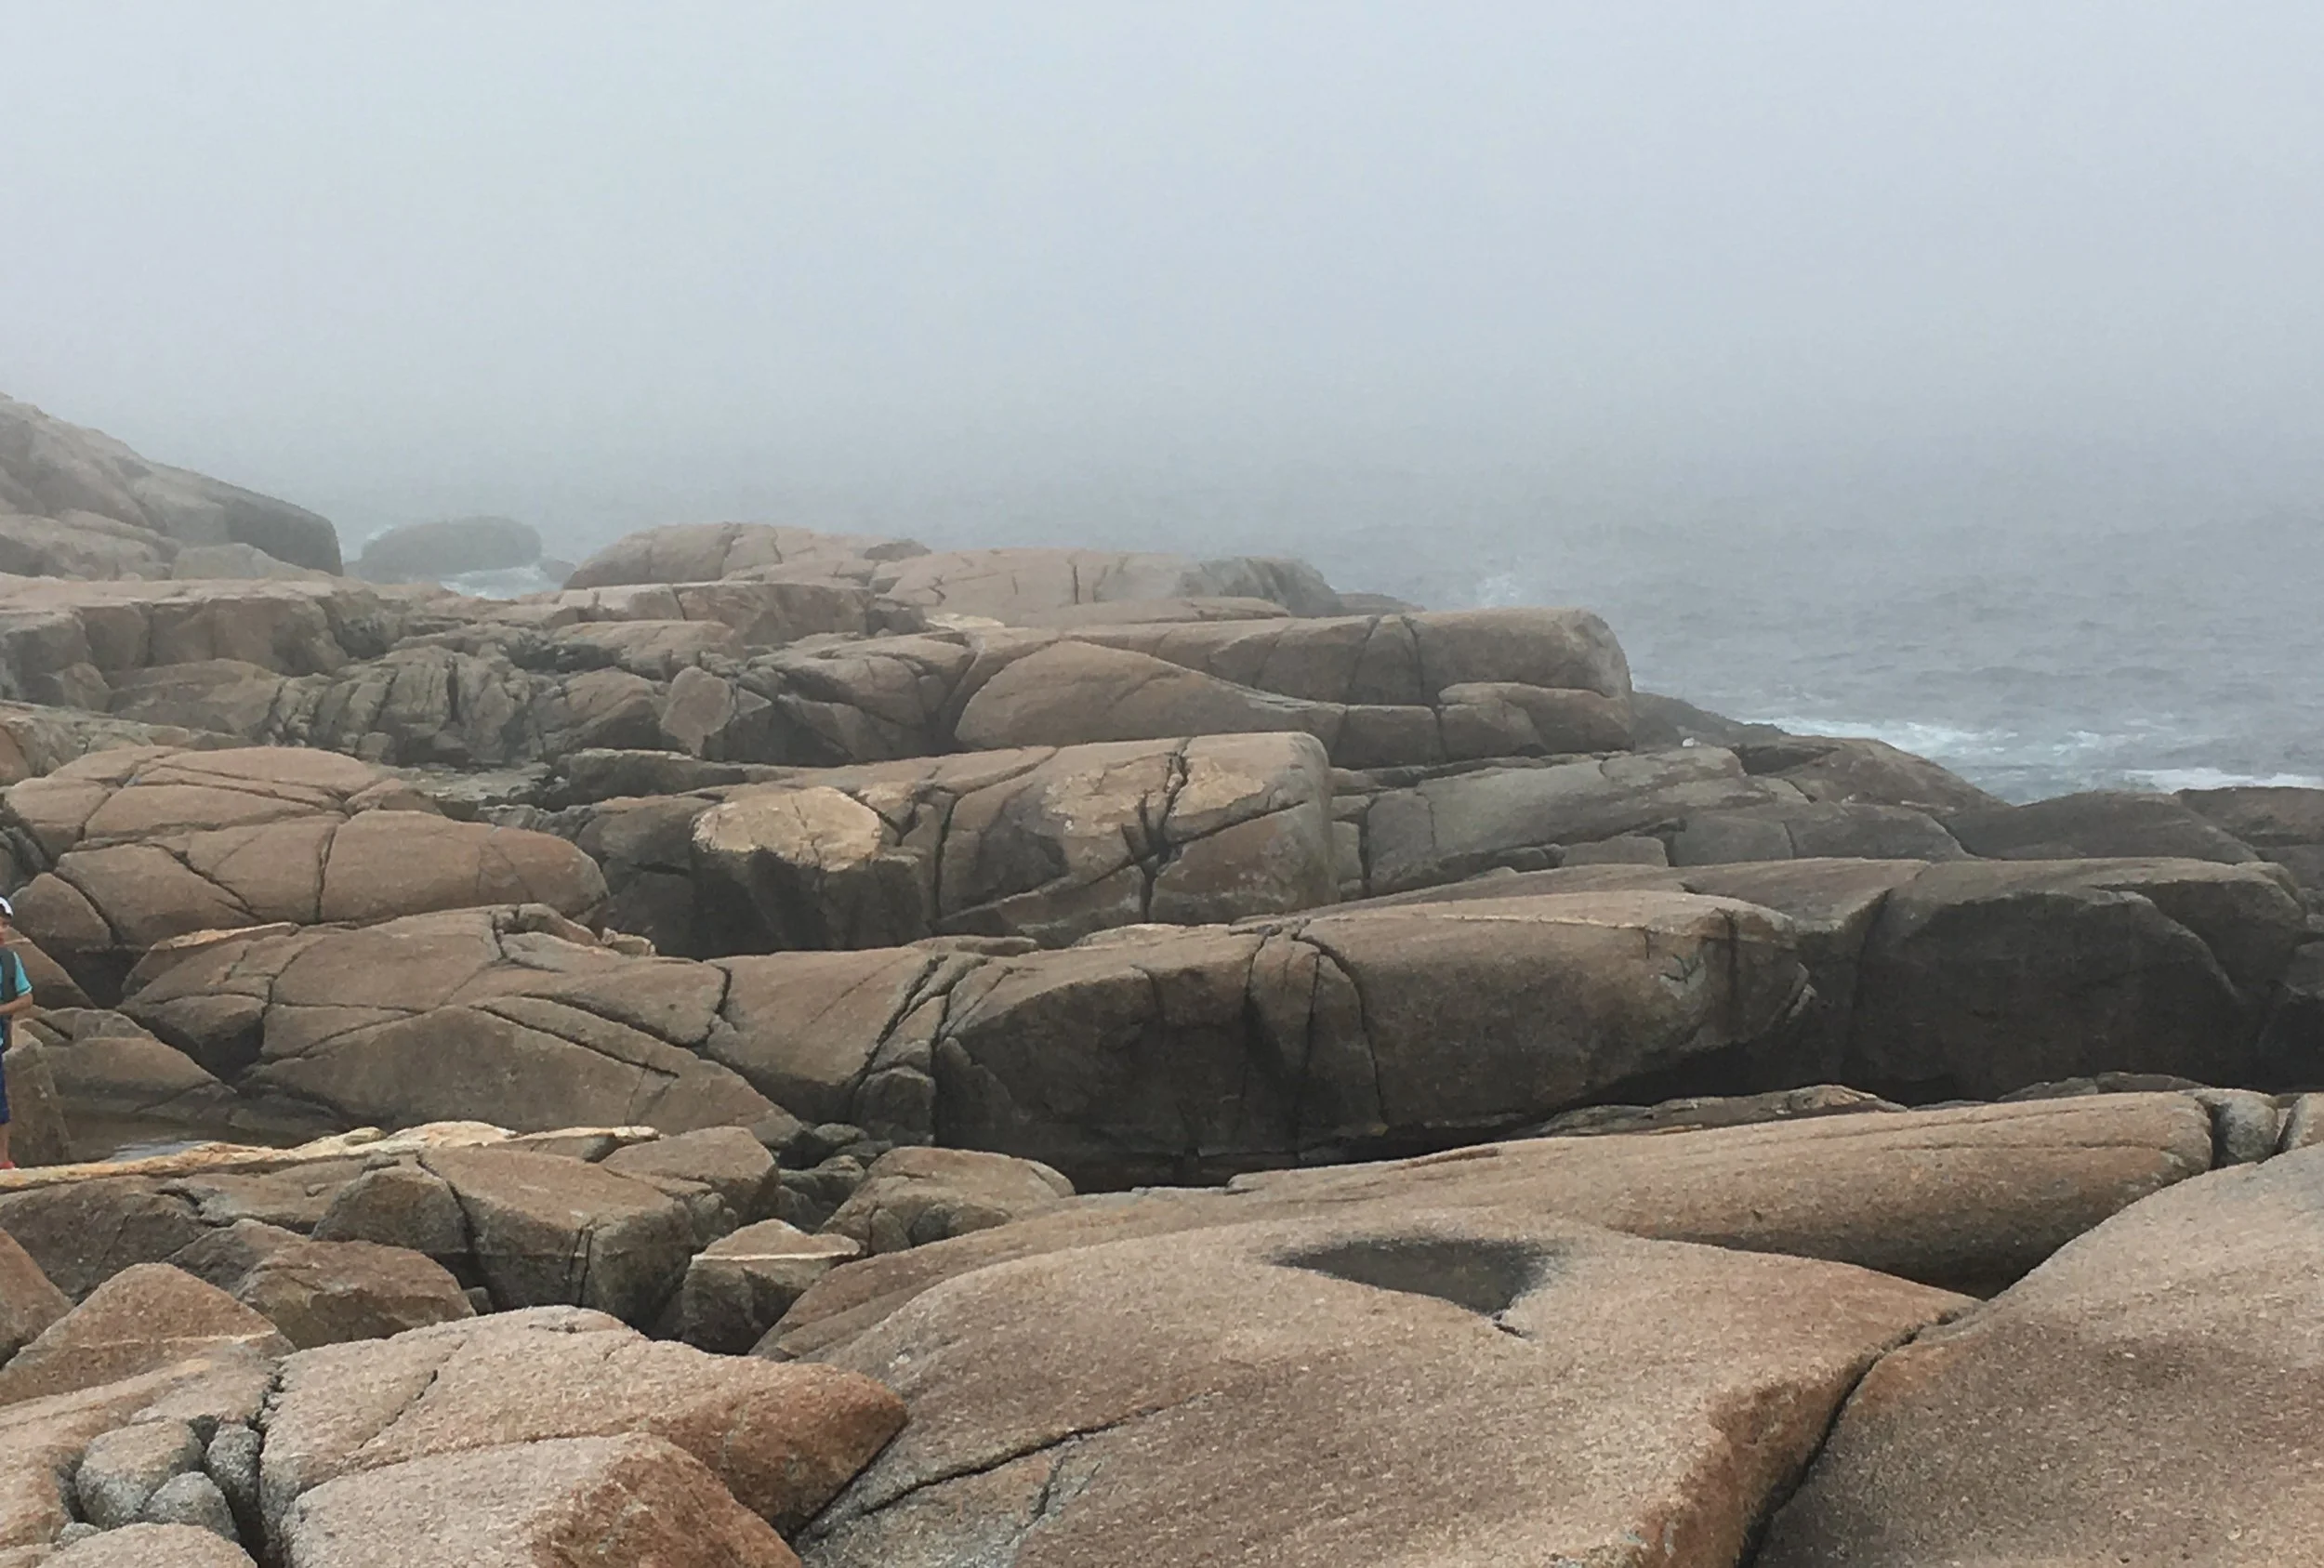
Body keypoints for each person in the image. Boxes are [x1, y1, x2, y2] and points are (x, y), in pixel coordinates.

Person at [0, 897, 33, 1170]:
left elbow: (27, 998)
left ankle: (3, 1163)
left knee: (1, 1109)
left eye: (5, 925)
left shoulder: (10, 961)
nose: (1, 930)